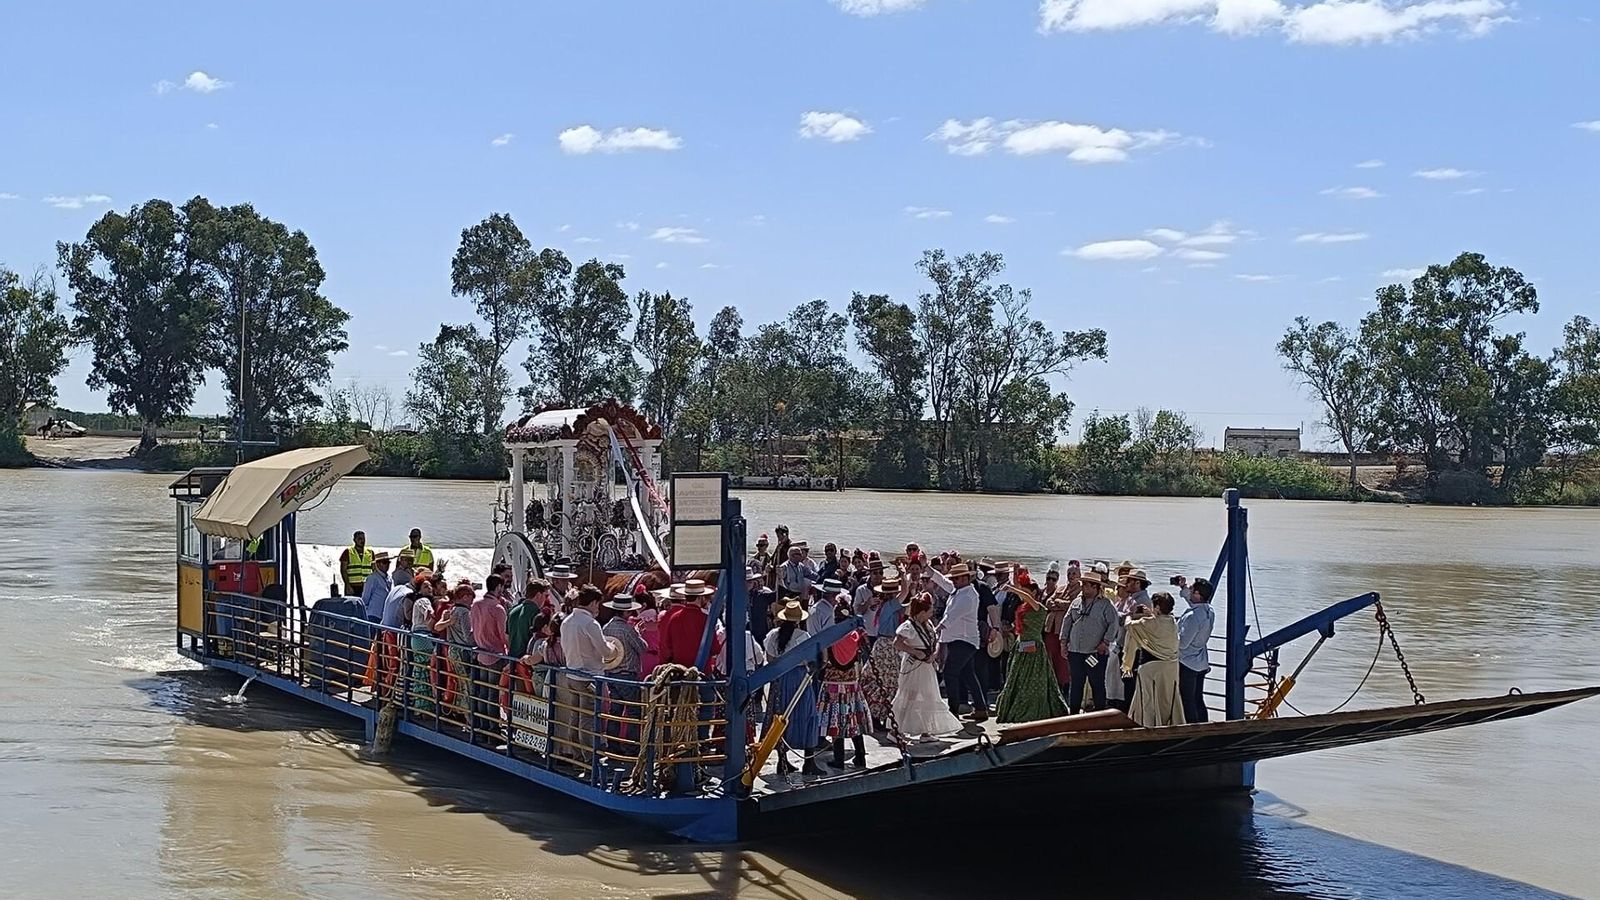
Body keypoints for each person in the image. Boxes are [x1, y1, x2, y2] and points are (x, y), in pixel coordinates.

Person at [891, 593, 964, 741]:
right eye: (929, 610)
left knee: (928, 696)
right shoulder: (908, 626)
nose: (932, 613)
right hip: (914, 666)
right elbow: (897, 644)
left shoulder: (928, 624)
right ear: (922, 612)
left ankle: (925, 731)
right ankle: (895, 731)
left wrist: (935, 654)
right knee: (909, 696)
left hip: (927, 665)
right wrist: (915, 652)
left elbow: (935, 641)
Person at [995, 581, 1069, 724]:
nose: (1022, 595)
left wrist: (1013, 589)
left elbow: (1029, 599)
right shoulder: (1023, 608)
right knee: (1016, 680)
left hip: (1034, 649)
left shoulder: (1038, 607)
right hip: (1020, 647)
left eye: (1026, 592)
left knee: (1034, 681)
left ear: (1034, 593)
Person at [762, 600, 821, 777]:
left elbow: (769, 659)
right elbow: (810, 659)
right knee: (807, 715)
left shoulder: (773, 635)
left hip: (780, 679)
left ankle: (783, 761)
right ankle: (809, 762)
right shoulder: (803, 636)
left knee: (780, 715)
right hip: (799, 678)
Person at [927, 562, 989, 722]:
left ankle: (953, 711)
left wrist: (934, 631)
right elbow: (942, 581)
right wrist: (927, 568)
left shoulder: (967, 596)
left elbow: (950, 617)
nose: (953, 581)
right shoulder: (959, 590)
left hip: (964, 640)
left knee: (950, 673)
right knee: (968, 674)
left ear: (965, 578)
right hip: (960, 639)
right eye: (953, 578)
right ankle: (981, 708)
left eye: (956, 578)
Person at [556, 585, 609, 767]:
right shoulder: (590, 624)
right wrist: (613, 649)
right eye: (597, 604)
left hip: (572, 674)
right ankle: (589, 759)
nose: (597, 608)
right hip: (589, 677)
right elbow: (605, 651)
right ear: (593, 603)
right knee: (587, 719)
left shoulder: (566, 621)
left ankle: (577, 755)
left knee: (575, 716)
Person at [816, 602, 871, 770]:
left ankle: (839, 759)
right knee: (854, 720)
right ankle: (860, 755)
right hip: (851, 685)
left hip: (832, 685)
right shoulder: (856, 636)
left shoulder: (830, 637)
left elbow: (824, 660)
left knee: (835, 720)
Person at [1121, 592, 1186, 727]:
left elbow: (1130, 626)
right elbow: (1158, 622)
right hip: (1171, 667)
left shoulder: (1147, 623)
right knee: (1167, 699)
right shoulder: (1172, 622)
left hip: (1151, 667)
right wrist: (1151, 613)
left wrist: (1129, 615)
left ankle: (1147, 725)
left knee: (1148, 699)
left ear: (1157, 607)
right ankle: (1169, 723)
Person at [1060, 570, 1117, 714]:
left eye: (1087, 585)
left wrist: (1105, 642)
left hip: (1095, 653)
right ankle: (1073, 714)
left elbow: (1113, 624)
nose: (1084, 587)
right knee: (1076, 683)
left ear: (1095, 587)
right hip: (1075, 651)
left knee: (1097, 683)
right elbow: (1067, 621)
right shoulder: (1076, 602)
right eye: (1083, 584)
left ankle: (1100, 714)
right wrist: (1063, 642)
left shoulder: (1106, 605)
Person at [600, 594, 648, 746]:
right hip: (627, 676)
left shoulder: (606, 627)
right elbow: (642, 648)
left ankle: (612, 746)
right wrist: (638, 632)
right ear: (626, 612)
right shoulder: (627, 630)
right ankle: (631, 747)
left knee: (615, 712)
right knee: (634, 712)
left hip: (611, 674)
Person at [860, 573, 904, 731]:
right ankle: (878, 715)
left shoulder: (886, 606)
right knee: (887, 681)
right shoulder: (890, 605)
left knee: (883, 679)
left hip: (884, 644)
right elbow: (905, 593)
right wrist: (904, 576)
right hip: (887, 645)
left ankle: (879, 715)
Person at [1107, 568, 1152, 712]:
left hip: (1134, 648)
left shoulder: (1142, 602)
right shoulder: (1134, 599)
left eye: (1129, 581)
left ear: (1137, 583)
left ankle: (1130, 712)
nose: (1126, 584)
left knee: (1129, 680)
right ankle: (1128, 710)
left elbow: (1127, 621)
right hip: (1126, 645)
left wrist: (1112, 613)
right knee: (1126, 679)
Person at [469, 579, 510, 740]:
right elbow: (503, 635)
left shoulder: (476, 605)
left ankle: (482, 727)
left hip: (480, 653)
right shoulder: (498, 609)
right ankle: (493, 730)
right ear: (498, 587)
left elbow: (472, 629)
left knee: (482, 692)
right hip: (495, 656)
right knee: (492, 694)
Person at [1176, 577, 1216, 723]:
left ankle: (1191, 728)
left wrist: (1169, 633)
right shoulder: (1209, 611)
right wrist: (1184, 588)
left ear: (1198, 594)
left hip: (1186, 662)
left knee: (1187, 700)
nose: (1190, 591)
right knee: (1198, 698)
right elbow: (1194, 603)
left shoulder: (1192, 617)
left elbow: (1182, 643)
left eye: (1192, 590)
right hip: (1200, 661)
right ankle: (1204, 725)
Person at [659, 580, 712, 667]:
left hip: (680, 669)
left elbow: (667, 645)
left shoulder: (674, 618)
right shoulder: (705, 619)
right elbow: (714, 648)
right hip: (702, 668)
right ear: (700, 597)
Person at [406, 584, 437, 713]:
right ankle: (426, 707)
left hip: (416, 638)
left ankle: (420, 706)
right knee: (427, 671)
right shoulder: (424, 601)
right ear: (419, 590)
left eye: (430, 587)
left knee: (420, 672)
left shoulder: (416, 602)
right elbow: (429, 614)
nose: (429, 589)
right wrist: (435, 626)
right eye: (425, 587)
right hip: (423, 637)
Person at [507, 579, 551, 670]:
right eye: (546, 595)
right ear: (538, 595)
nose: (546, 599)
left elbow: (506, 636)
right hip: (526, 664)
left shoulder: (513, 610)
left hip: (512, 661)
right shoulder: (536, 613)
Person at [360, 552, 392, 623]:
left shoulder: (389, 578)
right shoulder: (372, 578)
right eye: (384, 562)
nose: (387, 565)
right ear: (378, 564)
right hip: (373, 614)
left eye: (388, 562)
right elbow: (365, 598)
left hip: (384, 615)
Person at [340, 531, 373, 598]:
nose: (362, 541)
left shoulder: (370, 553)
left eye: (363, 539)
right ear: (354, 540)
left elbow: (374, 570)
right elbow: (343, 570)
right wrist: (347, 585)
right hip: (353, 586)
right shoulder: (348, 552)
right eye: (359, 539)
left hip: (366, 586)